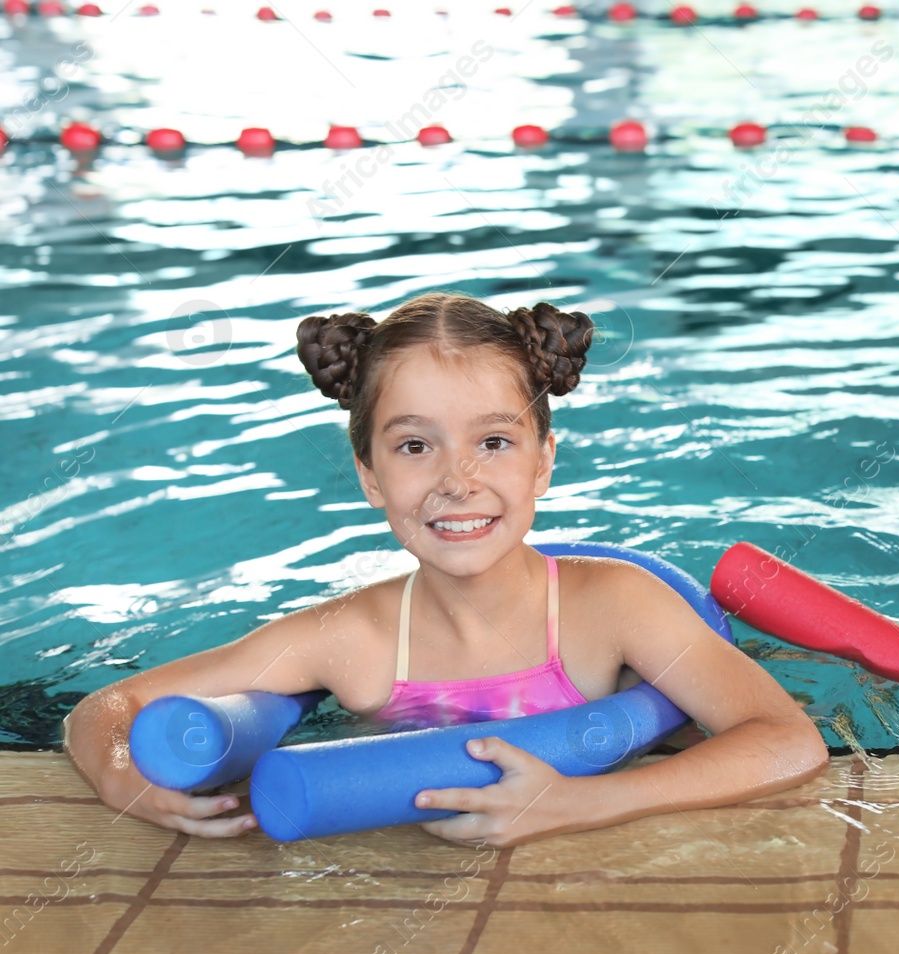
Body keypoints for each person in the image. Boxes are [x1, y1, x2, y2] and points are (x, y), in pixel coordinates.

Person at [64, 293, 827, 844]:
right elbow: (109, 704)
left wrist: (582, 804)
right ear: (369, 475)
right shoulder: (348, 638)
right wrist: (123, 777)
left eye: (494, 441)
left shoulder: (616, 605)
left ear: (543, 462)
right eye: (413, 446)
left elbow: (788, 739)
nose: (456, 480)